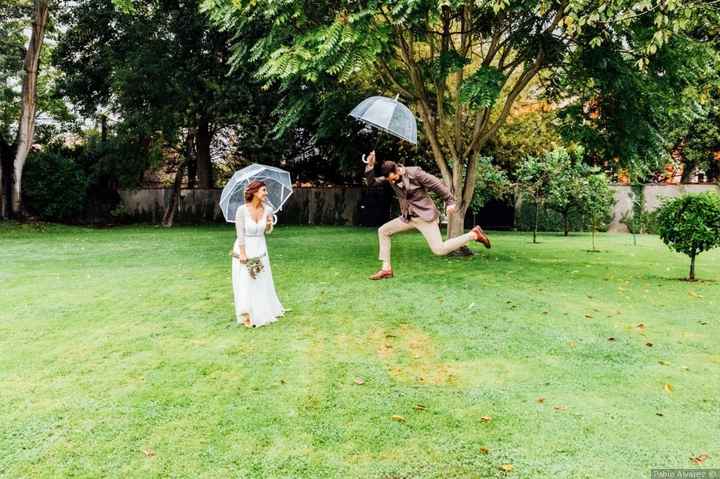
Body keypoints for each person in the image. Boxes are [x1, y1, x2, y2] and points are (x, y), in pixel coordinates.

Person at [365, 150, 491, 280]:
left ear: (397, 170)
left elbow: (436, 183)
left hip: (425, 217)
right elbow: (372, 183)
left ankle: (474, 235)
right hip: (408, 217)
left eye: (393, 178)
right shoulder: (390, 178)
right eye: (389, 180)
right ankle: (386, 269)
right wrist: (370, 165)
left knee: (439, 250)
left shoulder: (415, 173)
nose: (392, 181)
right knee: (383, 231)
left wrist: (449, 201)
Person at [230, 180, 285, 327]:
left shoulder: (267, 210)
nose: (266, 193)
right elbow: (239, 232)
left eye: (266, 190)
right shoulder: (241, 210)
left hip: (260, 248)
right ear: (254, 192)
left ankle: (262, 310)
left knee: (260, 279)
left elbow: (267, 231)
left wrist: (268, 225)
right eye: (263, 190)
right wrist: (242, 253)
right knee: (246, 281)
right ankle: (246, 313)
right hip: (245, 247)